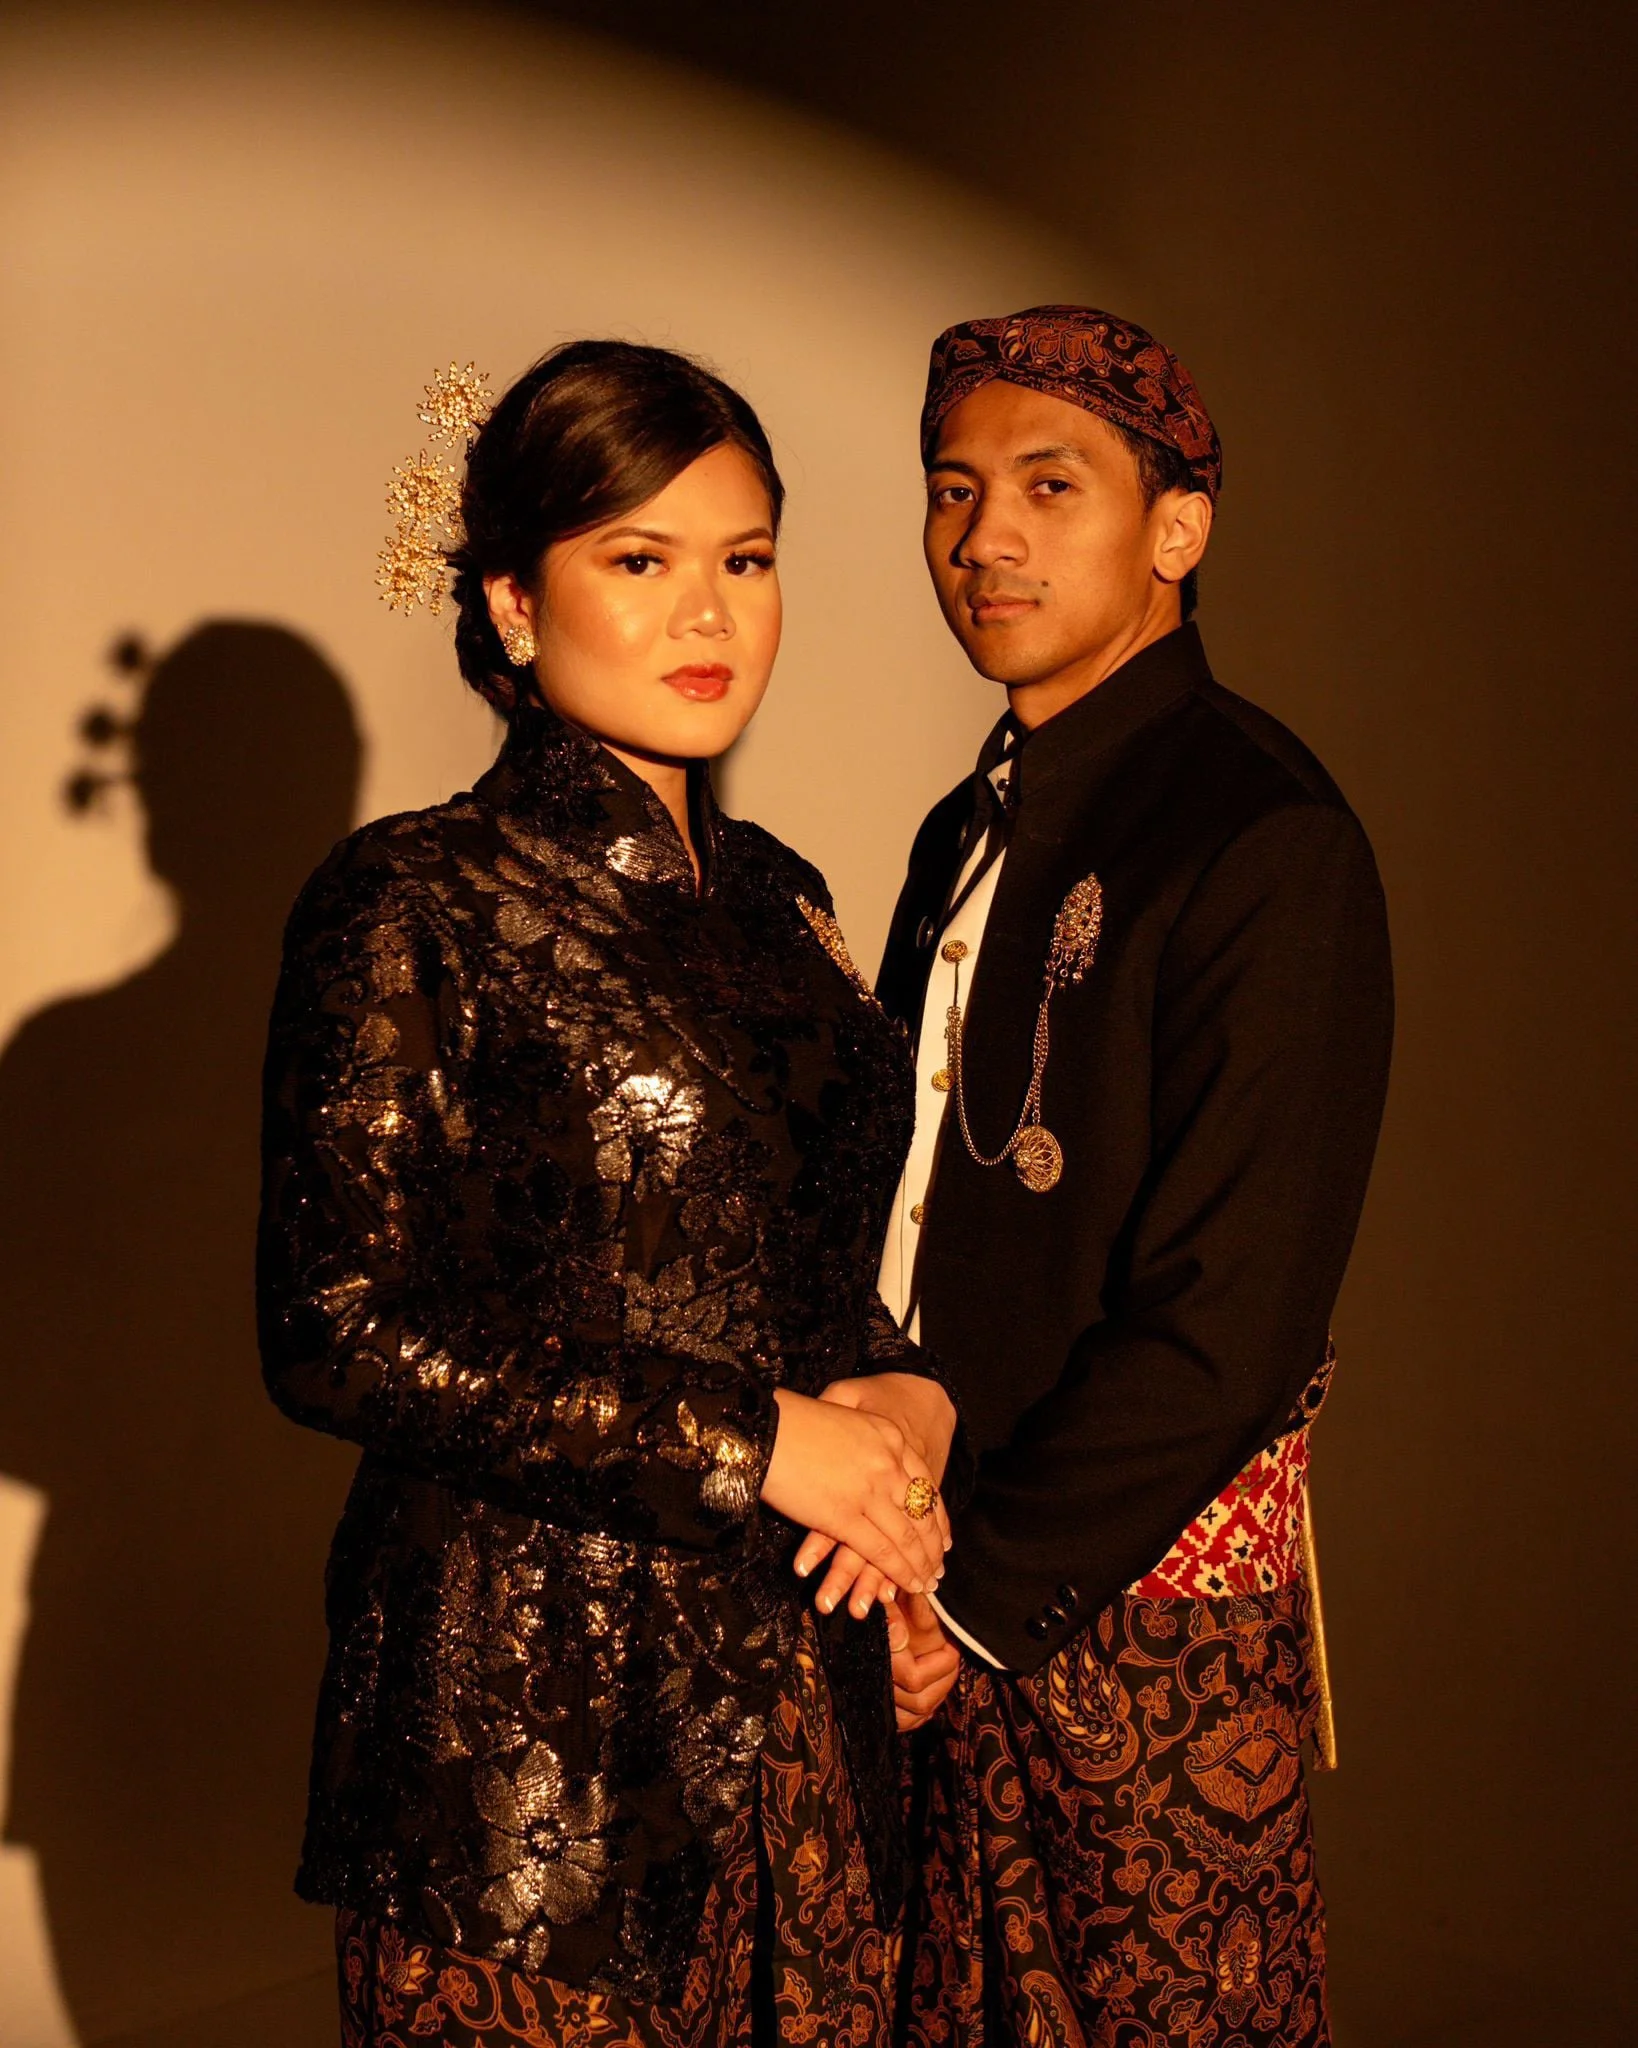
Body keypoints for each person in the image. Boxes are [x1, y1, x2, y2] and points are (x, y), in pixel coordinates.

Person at [256, 340, 959, 2047]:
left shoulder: (782, 901)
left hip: (809, 1703)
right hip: (524, 1741)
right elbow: (336, 1334)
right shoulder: (411, 898)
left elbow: (810, 1268)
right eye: (637, 563)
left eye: (745, 561)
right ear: (513, 602)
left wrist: (903, 1423)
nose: (705, 615)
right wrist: (756, 1444)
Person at [873, 307, 1393, 2044]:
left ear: (1175, 529)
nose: (985, 538)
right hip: (930, 1574)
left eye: (1047, 483)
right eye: (953, 490)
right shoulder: (972, 824)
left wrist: (965, 1593)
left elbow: (1230, 1322)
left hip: (1130, 1628)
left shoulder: (1259, 833)